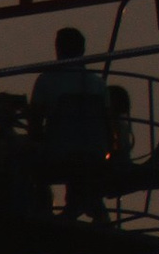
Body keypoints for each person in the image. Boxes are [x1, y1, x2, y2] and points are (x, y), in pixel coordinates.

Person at [30, 26, 115, 224]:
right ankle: (90, 206)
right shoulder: (98, 84)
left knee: (28, 159)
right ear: (83, 51)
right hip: (95, 151)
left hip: (58, 151)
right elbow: (107, 122)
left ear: (58, 50)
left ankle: (40, 206)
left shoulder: (46, 81)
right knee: (79, 161)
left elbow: (34, 123)